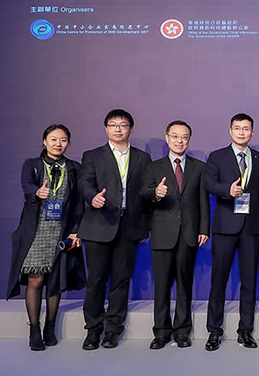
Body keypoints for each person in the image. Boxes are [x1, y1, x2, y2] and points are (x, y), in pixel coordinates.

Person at [7, 124, 85, 351]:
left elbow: (79, 203)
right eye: (53, 139)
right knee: (35, 279)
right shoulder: (32, 165)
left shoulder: (74, 168)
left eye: (62, 140)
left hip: (61, 231)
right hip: (37, 230)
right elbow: (27, 185)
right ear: (44, 141)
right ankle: (34, 329)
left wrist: (76, 230)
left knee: (56, 280)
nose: (57, 144)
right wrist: (36, 192)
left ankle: (50, 327)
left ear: (68, 142)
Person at [78, 109, 151, 350]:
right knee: (96, 280)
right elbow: (85, 183)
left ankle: (112, 330)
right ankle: (93, 329)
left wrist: (145, 227)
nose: (118, 129)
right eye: (112, 125)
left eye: (123, 125)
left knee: (121, 280)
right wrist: (92, 198)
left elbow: (145, 193)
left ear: (131, 128)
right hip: (99, 225)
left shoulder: (142, 158)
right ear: (106, 128)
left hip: (129, 227)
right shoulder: (93, 155)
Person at [204, 113, 259, 351]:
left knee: (249, 281)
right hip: (224, 227)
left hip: (251, 228)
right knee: (218, 279)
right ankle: (214, 331)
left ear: (253, 132)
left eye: (246, 129)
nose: (242, 132)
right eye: (237, 128)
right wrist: (227, 190)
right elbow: (208, 183)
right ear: (230, 131)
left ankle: (245, 330)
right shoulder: (217, 156)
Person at [141, 120, 210, 349]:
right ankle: (161, 331)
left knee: (184, 284)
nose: (180, 141)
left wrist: (203, 229)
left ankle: (182, 330)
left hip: (189, 233)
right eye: (175, 136)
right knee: (161, 285)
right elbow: (144, 194)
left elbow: (203, 201)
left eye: (184, 137)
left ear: (189, 140)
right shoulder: (154, 166)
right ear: (167, 137)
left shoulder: (199, 167)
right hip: (162, 233)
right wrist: (156, 193)